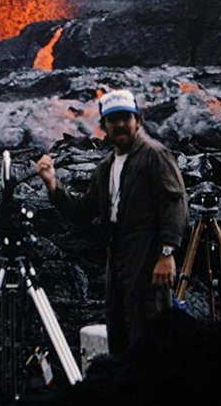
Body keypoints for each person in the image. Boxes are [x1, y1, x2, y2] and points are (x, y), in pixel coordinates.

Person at [35, 89, 188, 354]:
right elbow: (84, 210)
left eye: (125, 118)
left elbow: (174, 200)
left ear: (137, 121)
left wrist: (167, 252)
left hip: (147, 249)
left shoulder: (154, 155)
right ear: (103, 126)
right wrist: (52, 184)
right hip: (116, 251)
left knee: (149, 324)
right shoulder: (106, 166)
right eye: (113, 119)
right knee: (118, 323)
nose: (120, 125)